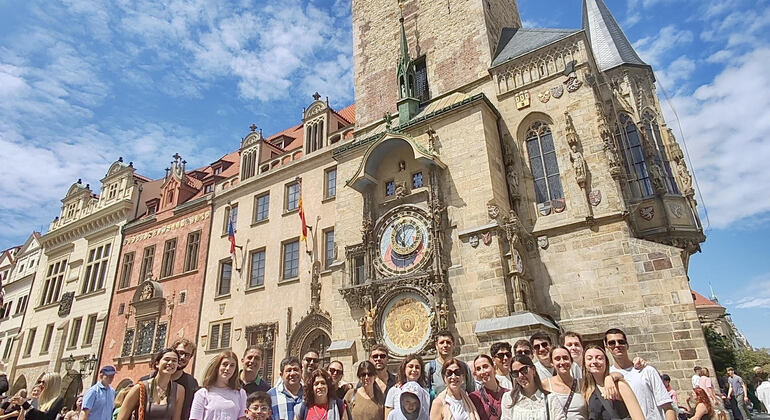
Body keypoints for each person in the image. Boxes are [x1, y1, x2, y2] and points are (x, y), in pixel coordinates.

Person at [605, 328, 676, 420]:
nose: (617, 345)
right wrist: (608, 377)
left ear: (627, 345)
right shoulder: (607, 376)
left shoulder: (647, 371)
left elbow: (668, 407)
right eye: (612, 343)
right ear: (606, 347)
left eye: (621, 342)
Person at [118, 348, 185, 420]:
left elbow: (176, 418)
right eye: (167, 359)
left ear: (177, 365)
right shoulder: (139, 388)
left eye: (174, 360)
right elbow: (121, 418)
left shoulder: (179, 390)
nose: (170, 363)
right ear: (157, 364)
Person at [582, 345, 644, 420]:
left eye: (599, 358)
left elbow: (638, 417)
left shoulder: (619, 385)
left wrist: (610, 377)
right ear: (585, 364)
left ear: (606, 362)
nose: (594, 361)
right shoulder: (587, 391)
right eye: (589, 358)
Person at [500, 355, 564, 420]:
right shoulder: (509, 399)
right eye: (515, 373)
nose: (520, 376)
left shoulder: (550, 399)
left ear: (533, 370)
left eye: (523, 370)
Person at [190, 350, 248, 420]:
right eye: (225, 364)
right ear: (217, 367)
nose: (228, 368)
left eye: (232, 366)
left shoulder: (240, 393)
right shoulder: (202, 393)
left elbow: (242, 418)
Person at [541, 346, 587, 419]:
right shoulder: (545, 385)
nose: (562, 362)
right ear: (552, 363)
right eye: (557, 359)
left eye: (565, 358)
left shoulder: (582, 384)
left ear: (571, 361)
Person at [426, 331, 475, 398]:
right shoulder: (430, 368)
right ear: (436, 346)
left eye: (448, 342)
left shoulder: (463, 367)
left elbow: (472, 392)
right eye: (441, 342)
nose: (445, 345)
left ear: (454, 345)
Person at [386, 355, 429, 419]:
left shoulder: (425, 393)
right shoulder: (394, 390)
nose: (414, 370)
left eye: (417, 367)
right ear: (404, 369)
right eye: (410, 366)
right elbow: (388, 415)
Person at [469, 355, 508, 420]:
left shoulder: (508, 394)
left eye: (485, 367)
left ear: (494, 368)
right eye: (478, 369)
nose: (483, 372)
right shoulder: (474, 398)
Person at [171, 338, 200, 420]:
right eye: (180, 353)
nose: (182, 357)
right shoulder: (151, 379)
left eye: (187, 355)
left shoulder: (192, 383)